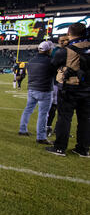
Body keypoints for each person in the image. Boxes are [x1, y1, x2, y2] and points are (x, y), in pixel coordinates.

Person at [46, 23, 90, 157]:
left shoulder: (66, 50)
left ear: (69, 33)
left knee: (64, 117)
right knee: (86, 119)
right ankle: (83, 149)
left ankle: (60, 147)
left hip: (70, 88)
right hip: (88, 89)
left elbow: (52, 67)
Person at [18, 41, 55, 144]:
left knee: (28, 110)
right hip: (44, 90)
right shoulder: (51, 61)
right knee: (43, 114)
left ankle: (22, 129)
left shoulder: (31, 60)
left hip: (32, 89)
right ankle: (41, 137)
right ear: (48, 50)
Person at [47, 35, 69, 137]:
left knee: (65, 108)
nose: (64, 42)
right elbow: (53, 65)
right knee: (54, 106)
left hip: (69, 83)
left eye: (66, 40)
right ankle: (49, 127)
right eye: (62, 40)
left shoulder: (71, 50)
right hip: (57, 82)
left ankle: (59, 128)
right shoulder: (57, 51)